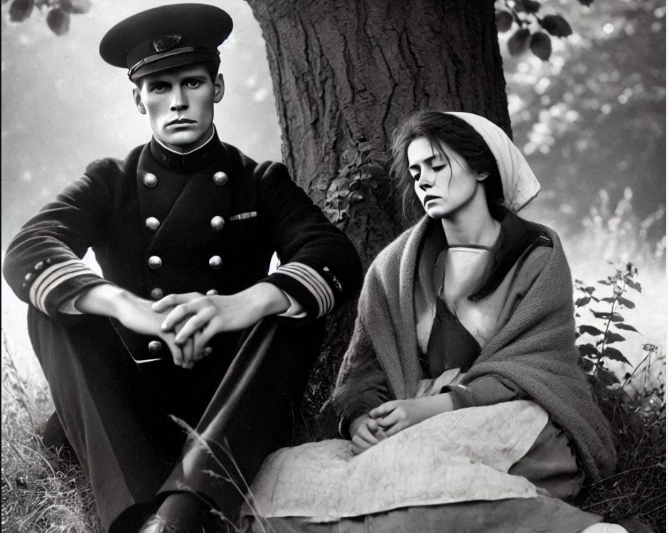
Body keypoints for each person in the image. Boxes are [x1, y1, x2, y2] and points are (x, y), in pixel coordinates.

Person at [2, 4, 363, 533]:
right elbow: (29, 248)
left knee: (294, 311)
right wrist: (128, 306)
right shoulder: (109, 181)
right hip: (130, 408)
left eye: (192, 82)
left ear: (217, 87)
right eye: (158, 87)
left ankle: (181, 516)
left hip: (231, 403)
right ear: (138, 99)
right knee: (51, 308)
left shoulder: (260, 182)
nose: (176, 102)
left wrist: (240, 304)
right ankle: (137, 516)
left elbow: (334, 255)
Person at [239, 110, 623, 533]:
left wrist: (431, 409)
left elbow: (533, 369)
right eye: (416, 171)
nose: (423, 181)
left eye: (437, 166)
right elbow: (365, 367)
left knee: (413, 478)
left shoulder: (537, 256)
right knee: (281, 476)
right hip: (410, 424)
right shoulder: (394, 268)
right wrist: (362, 419)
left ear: (481, 168)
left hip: (512, 419)